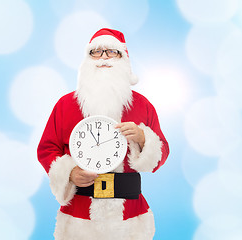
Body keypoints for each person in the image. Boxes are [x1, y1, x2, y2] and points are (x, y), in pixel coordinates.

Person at [37, 28, 169, 240]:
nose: (104, 57)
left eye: (112, 51)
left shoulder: (143, 106)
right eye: (96, 52)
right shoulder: (65, 105)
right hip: (79, 216)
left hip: (130, 216)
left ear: (124, 60)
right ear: (87, 60)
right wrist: (69, 173)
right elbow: (47, 149)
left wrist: (143, 138)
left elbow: (162, 152)